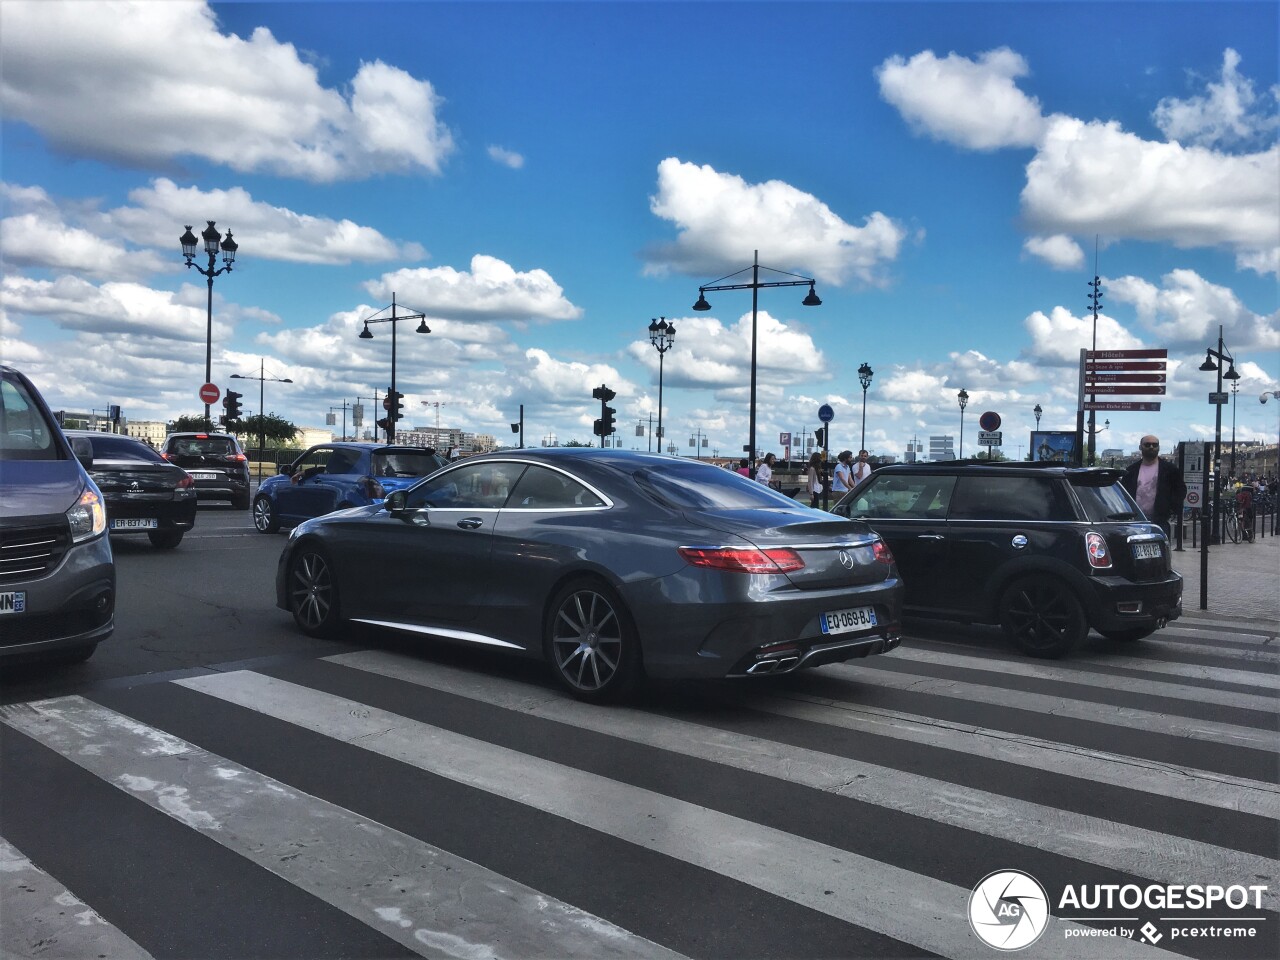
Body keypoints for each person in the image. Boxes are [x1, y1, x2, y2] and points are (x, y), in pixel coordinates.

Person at [1120, 435, 1187, 539]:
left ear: (1159, 448)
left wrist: (1170, 509)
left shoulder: (1170, 470)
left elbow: (1180, 490)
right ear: (1140, 447)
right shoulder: (1131, 471)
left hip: (1160, 521)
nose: (1151, 447)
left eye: (1154, 445)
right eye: (1147, 445)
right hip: (1135, 521)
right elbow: (1123, 494)